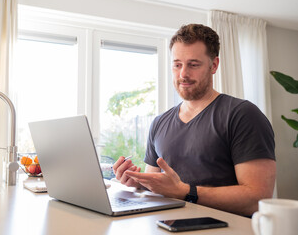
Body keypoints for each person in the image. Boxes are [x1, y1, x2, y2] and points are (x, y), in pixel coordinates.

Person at [112, 24, 276, 217]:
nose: (183, 74)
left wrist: (186, 192)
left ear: (214, 65)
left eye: (193, 64)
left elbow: (258, 199)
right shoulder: (159, 123)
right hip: (167, 226)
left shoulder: (243, 115)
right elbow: (158, 185)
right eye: (177, 64)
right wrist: (138, 183)